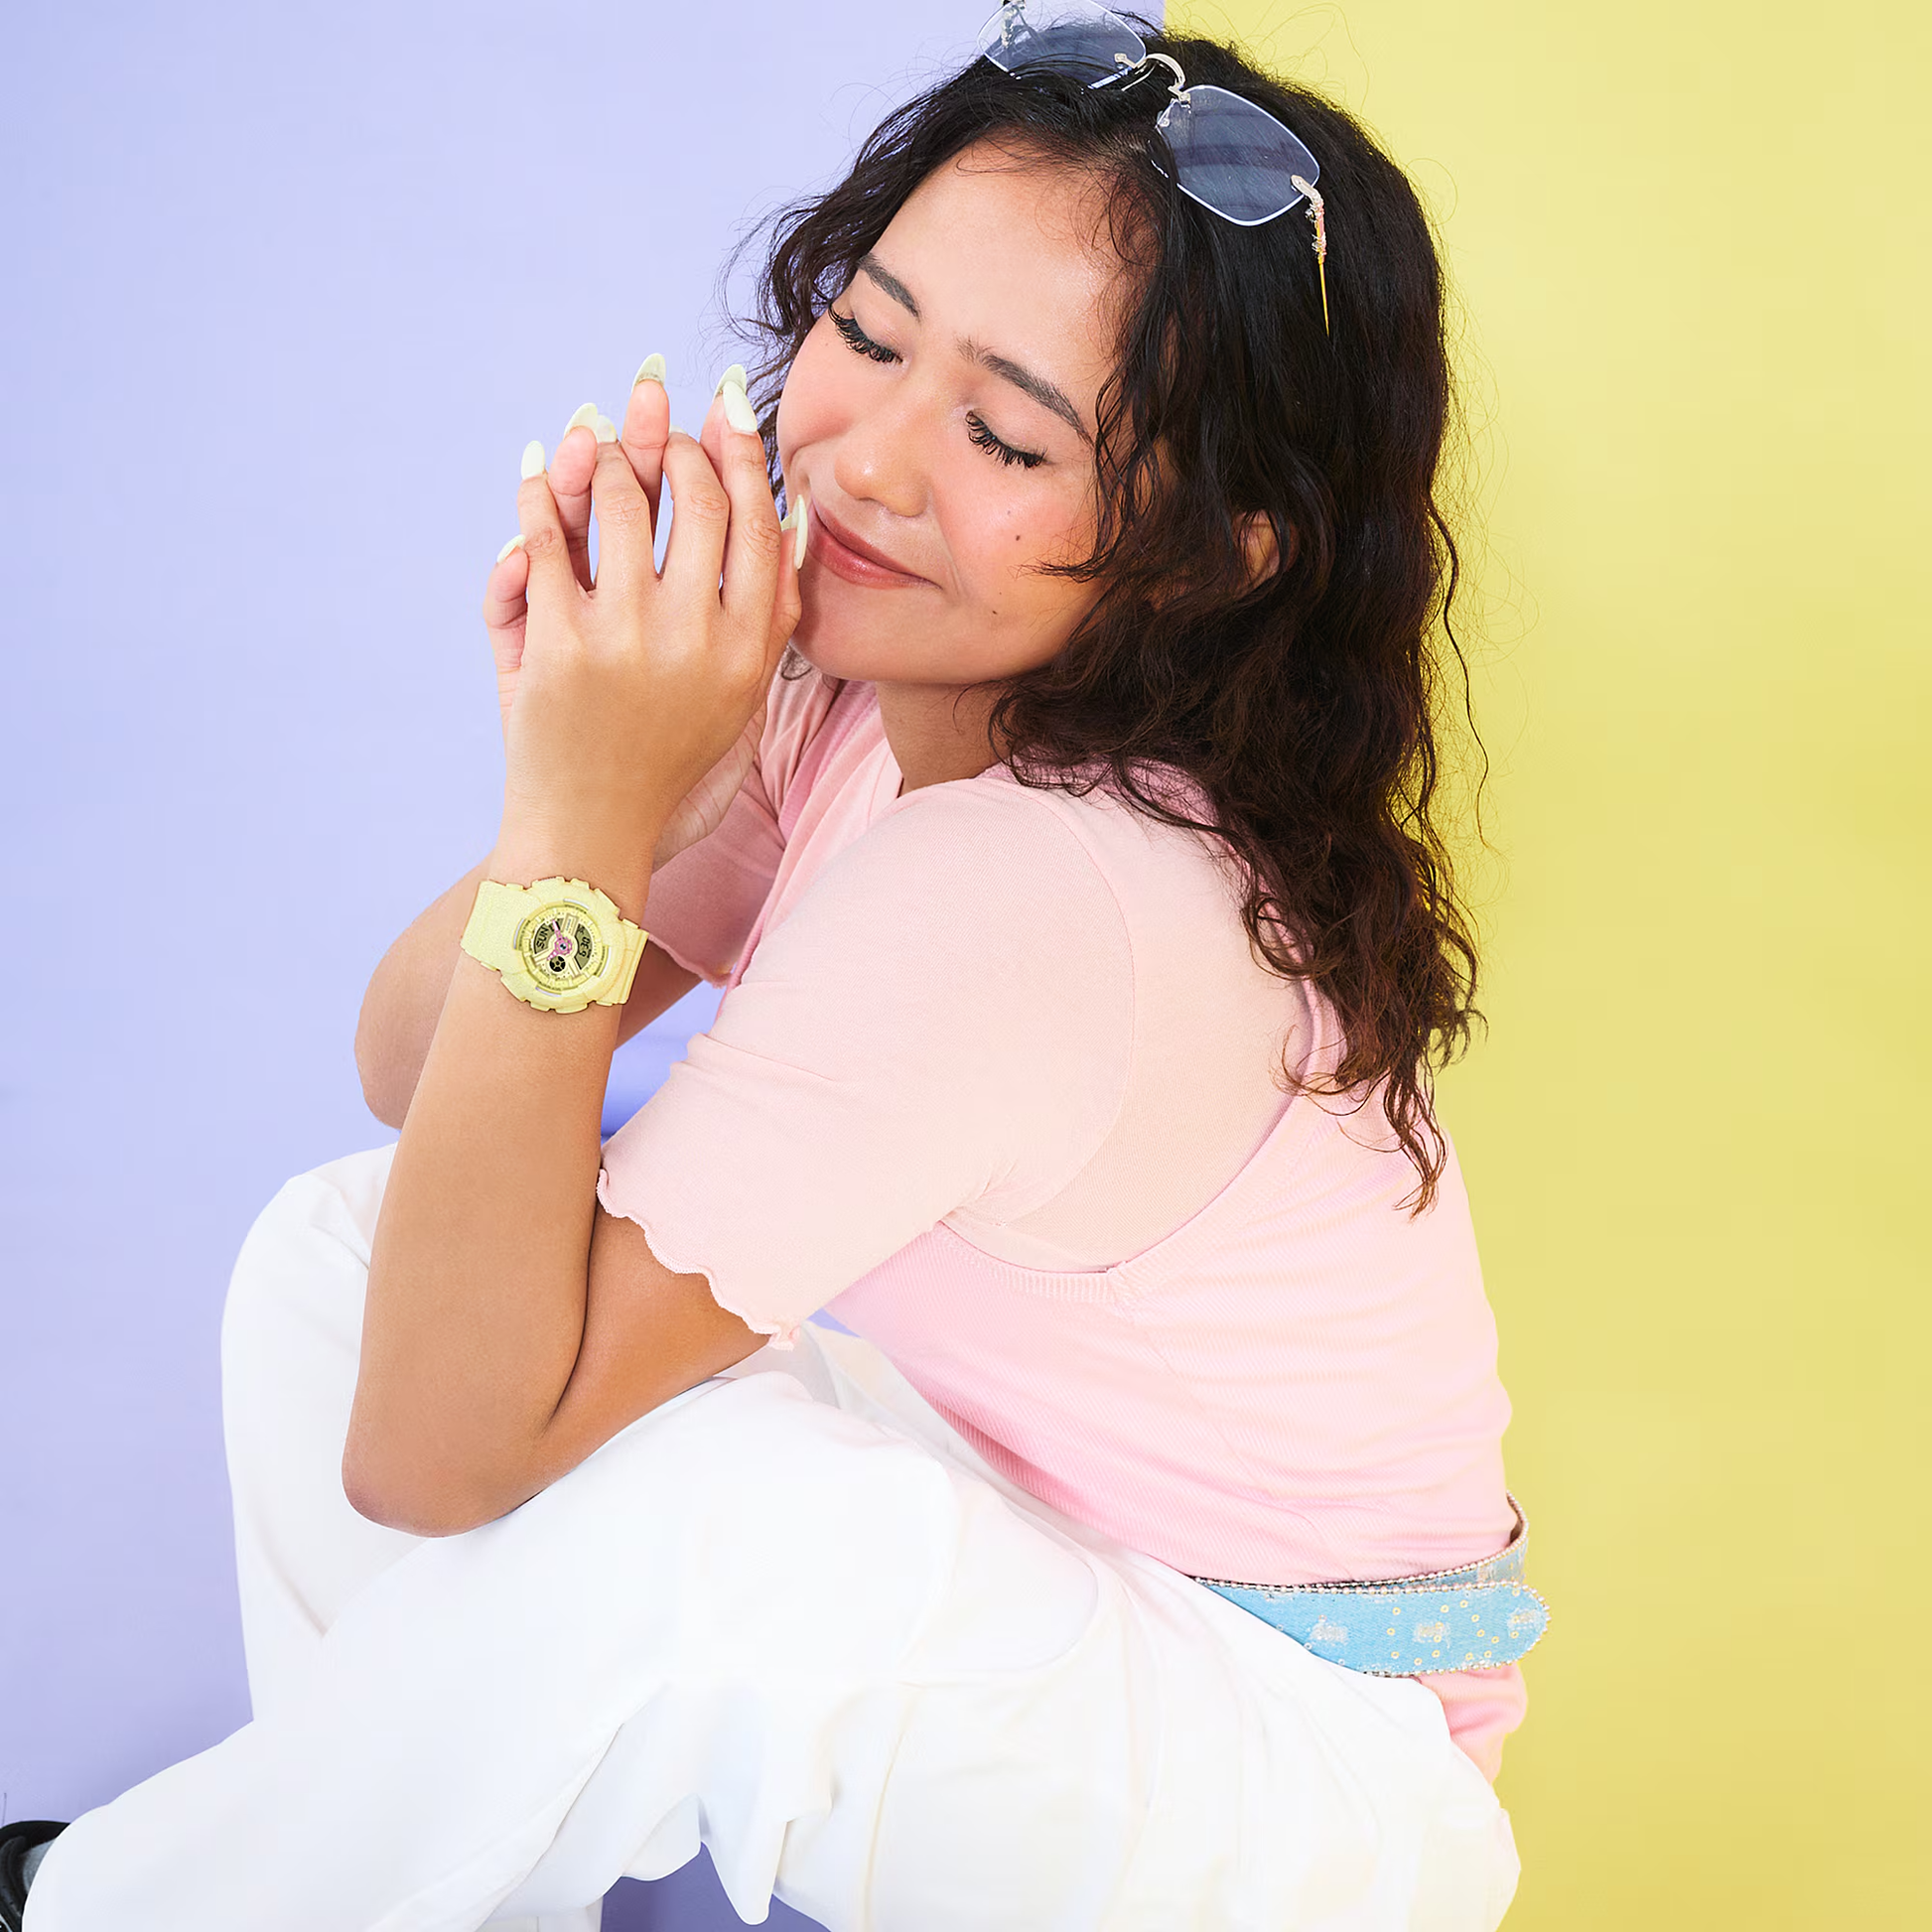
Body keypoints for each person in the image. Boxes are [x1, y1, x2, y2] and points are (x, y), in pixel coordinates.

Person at [4, 8, 1541, 1928]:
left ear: (1215, 549)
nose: (876, 458)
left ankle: (121, 1907)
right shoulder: (866, 700)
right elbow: (414, 1066)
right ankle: (358, 1880)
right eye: (872, 335)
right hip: (1043, 1545)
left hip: (1289, 1778)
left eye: (1001, 432)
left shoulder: (1043, 885)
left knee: (709, 1531)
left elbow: (431, 1457)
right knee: (348, 1245)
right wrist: (622, 775)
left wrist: (584, 805)